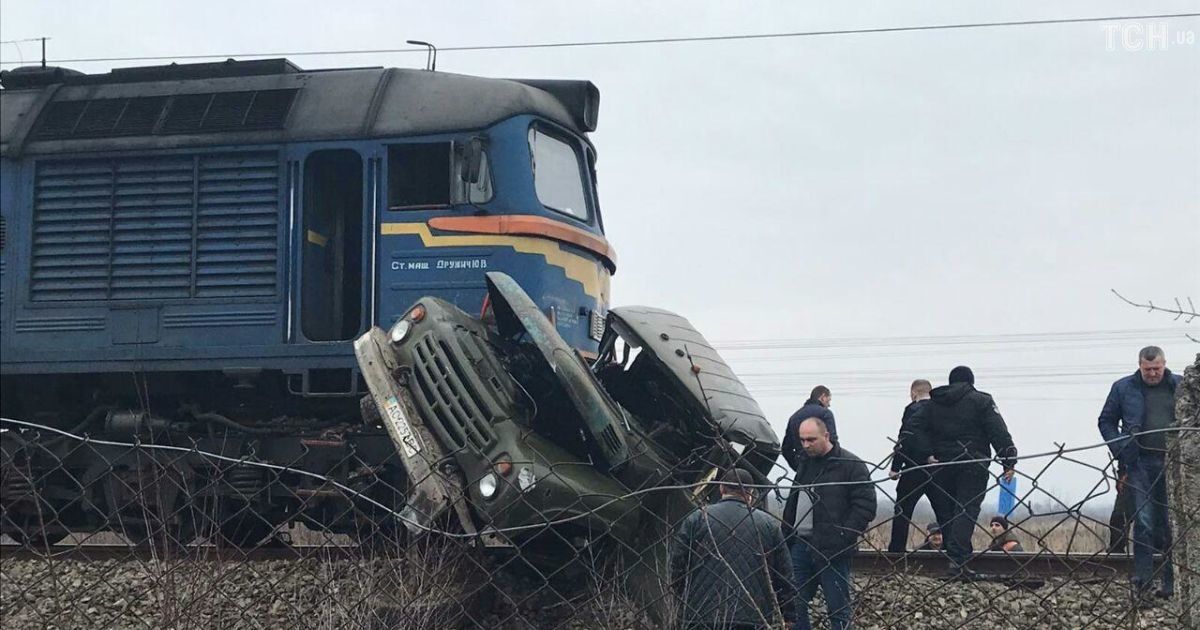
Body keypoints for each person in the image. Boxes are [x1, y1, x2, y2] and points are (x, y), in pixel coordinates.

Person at [909, 366, 1017, 577]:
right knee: (966, 510)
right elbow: (998, 431)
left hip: (941, 465)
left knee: (949, 513)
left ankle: (958, 557)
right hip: (973, 464)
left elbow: (912, 429)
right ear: (971, 382)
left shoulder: (933, 404)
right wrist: (1008, 460)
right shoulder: (981, 401)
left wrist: (927, 454)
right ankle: (958, 561)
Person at [1097, 345, 1183, 601]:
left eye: (1157, 368)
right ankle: (1143, 584)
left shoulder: (1180, 386)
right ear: (1139, 366)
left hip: (1173, 464)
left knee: (1171, 525)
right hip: (1138, 463)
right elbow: (1106, 421)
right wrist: (1121, 447)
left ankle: (1171, 584)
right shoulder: (1124, 388)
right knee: (1143, 524)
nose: (1153, 373)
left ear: (1165, 364)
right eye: (1148, 369)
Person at [670, 468, 796, 629]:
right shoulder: (768, 525)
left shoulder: (698, 518)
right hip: (752, 617)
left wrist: (681, 598)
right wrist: (789, 614)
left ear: (721, 488)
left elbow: (678, 563)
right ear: (750, 492)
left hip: (702, 612)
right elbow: (784, 574)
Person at [782, 417, 876, 630]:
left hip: (832, 549)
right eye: (802, 440)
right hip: (800, 545)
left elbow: (865, 506)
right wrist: (787, 534)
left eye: (811, 440)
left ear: (826, 436)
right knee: (793, 605)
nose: (805, 445)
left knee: (838, 608)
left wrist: (842, 537)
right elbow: (794, 501)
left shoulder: (851, 466)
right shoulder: (805, 464)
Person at [887, 379, 933, 553]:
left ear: (914, 393)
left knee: (902, 511)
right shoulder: (942, 410)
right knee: (945, 511)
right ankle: (952, 554)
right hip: (939, 468)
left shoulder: (912, 410)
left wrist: (895, 467)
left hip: (914, 467)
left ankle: (897, 550)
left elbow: (904, 439)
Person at [781, 386, 837, 471]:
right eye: (828, 400)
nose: (829, 405)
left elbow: (786, 449)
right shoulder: (825, 413)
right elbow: (832, 441)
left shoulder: (794, 417)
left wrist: (798, 468)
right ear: (822, 397)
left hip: (804, 468)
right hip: (826, 468)